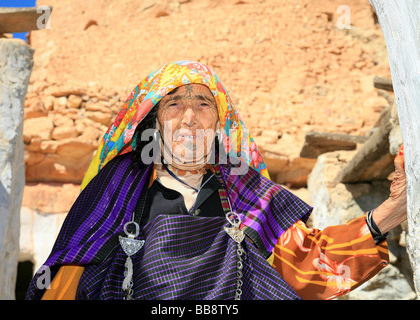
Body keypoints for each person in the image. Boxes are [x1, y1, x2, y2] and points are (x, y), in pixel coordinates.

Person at [25, 61, 407, 300]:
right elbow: (67, 275)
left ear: (219, 122)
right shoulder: (116, 187)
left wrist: (390, 212)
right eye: (174, 103)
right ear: (154, 122)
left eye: (202, 104)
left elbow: (308, 264)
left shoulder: (249, 194)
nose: (189, 117)